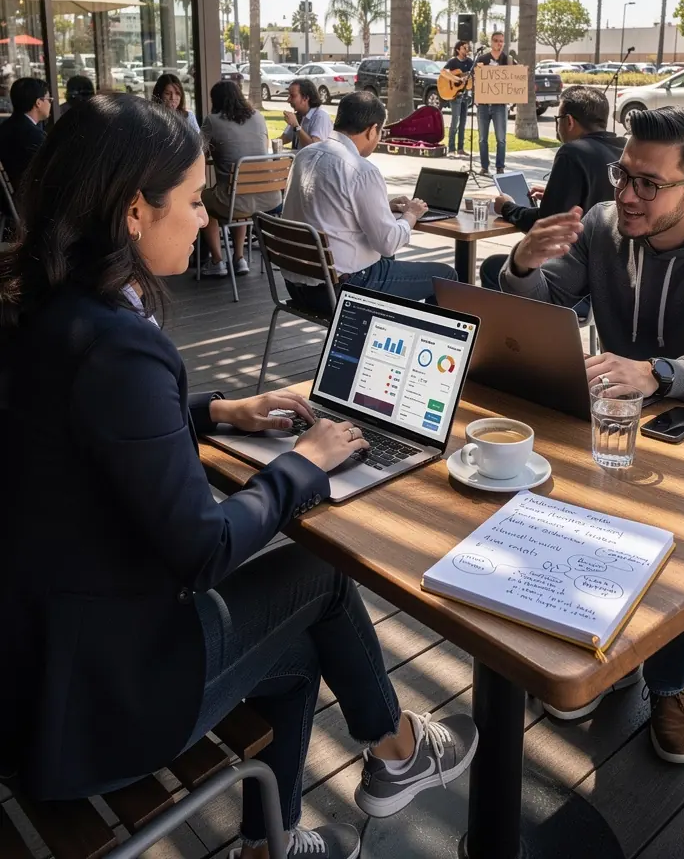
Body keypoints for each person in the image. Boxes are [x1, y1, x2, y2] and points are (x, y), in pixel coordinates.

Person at [0, 94, 477, 859]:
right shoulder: (118, 344)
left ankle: (273, 843)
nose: (204, 217)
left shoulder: (39, 308)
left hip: (33, 667)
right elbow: (203, 549)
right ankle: (397, 753)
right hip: (104, 699)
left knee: (295, 657)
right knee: (320, 579)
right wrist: (307, 461)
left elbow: (85, 427)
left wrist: (219, 408)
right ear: (132, 210)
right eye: (191, 201)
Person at [498, 107, 684, 764]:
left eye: (647, 184)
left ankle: (667, 680)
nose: (625, 196)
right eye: (622, 175)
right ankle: (597, 652)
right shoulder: (606, 228)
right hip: (614, 434)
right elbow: (550, 303)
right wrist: (522, 265)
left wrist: (660, 373)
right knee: (536, 514)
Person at [281, 91, 458, 316]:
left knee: (387, 260)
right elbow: (388, 242)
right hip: (341, 291)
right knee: (446, 278)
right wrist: (411, 215)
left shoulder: (304, 155)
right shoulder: (361, 170)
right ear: (372, 129)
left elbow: (330, 205)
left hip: (298, 286)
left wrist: (383, 205)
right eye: (380, 133)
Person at [480, 84, 625, 291]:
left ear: (569, 121)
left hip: (574, 277)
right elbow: (594, 197)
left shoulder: (573, 152)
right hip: (610, 275)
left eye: (558, 120)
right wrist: (555, 192)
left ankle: (511, 323)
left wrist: (507, 208)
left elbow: (545, 228)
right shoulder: (622, 148)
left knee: (492, 267)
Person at [200, 81, 276, 278]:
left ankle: (217, 261)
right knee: (239, 192)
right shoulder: (258, 117)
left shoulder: (212, 121)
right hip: (266, 199)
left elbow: (198, 153)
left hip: (234, 201)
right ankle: (239, 258)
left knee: (200, 201)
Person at [0, 76, 51, 191]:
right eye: (49, 99)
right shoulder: (33, 136)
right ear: (38, 103)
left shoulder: (6, 127)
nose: (50, 104)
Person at [475, 31, 510, 176]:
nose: (499, 43)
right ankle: (484, 167)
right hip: (483, 105)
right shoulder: (482, 59)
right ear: (491, 42)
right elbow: (476, 79)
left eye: (501, 41)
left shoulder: (508, 60)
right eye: (496, 40)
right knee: (483, 138)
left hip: (499, 106)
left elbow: (515, 80)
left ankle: (500, 167)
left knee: (501, 138)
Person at [440, 39, 474, 158]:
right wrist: (457, 79)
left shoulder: (470, 62)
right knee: (455, 122)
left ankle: (460, 148)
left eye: (467, 47)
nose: (466, 49)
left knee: (463, 123)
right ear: (458, 50)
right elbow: (443, 72)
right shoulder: (453, 62)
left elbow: (473, 74)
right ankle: (451, 149)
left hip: (465, 96)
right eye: (464, 48)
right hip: (455, 96)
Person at [281, 78, 332, 149]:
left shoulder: (321, 116)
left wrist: (296, 126)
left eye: (292, 96)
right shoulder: (299, 115)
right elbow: (284, 139)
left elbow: (314, 148)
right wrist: (266, 143)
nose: (288, 100)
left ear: (305, 98)